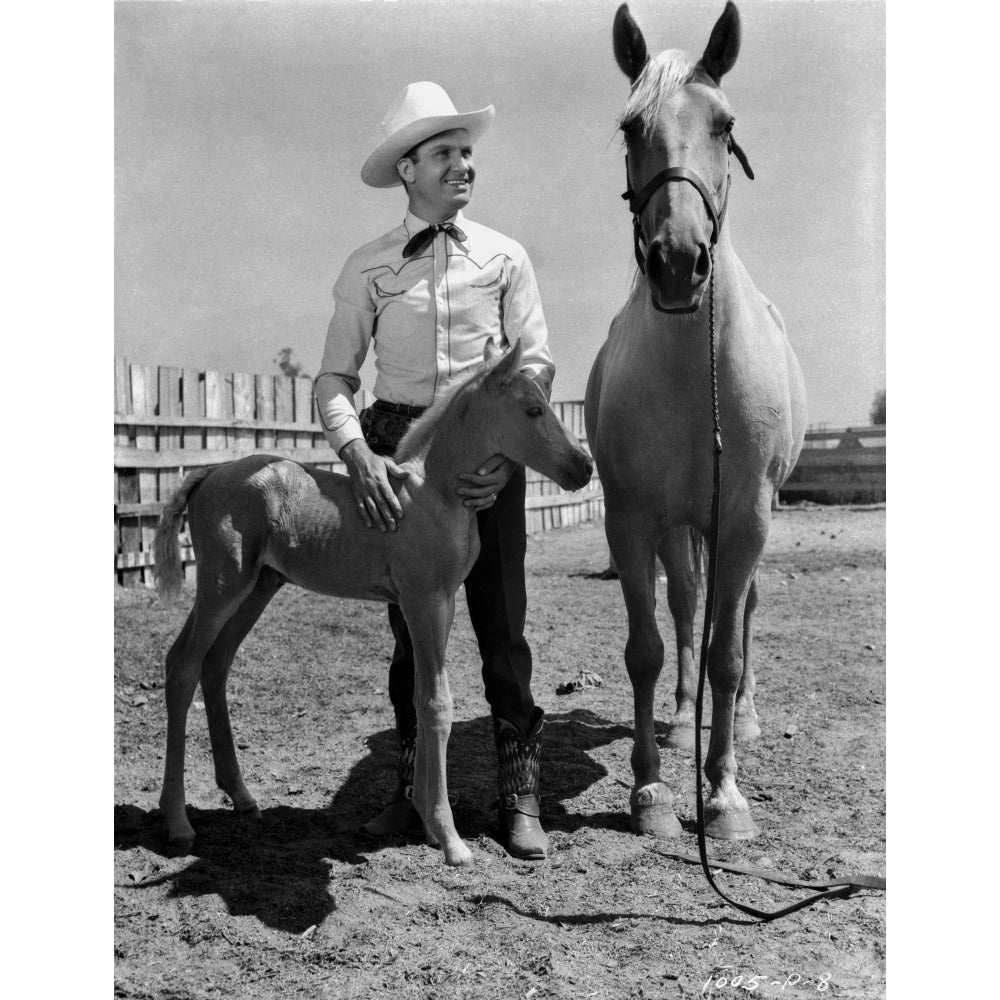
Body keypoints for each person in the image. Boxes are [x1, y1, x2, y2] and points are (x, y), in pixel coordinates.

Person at [314, 82, 556, 860]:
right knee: (412, 633)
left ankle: (520, 795)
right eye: (446, 154)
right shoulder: (368, 267)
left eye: (466, 152)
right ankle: (416, 789)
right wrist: (358, 455)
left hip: (486, 460)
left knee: (501, 624)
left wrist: (499, 461)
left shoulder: (506, 256)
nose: (464, 165)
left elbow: (537, 367)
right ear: (409, 169)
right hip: (397, 457)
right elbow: (332, 380)